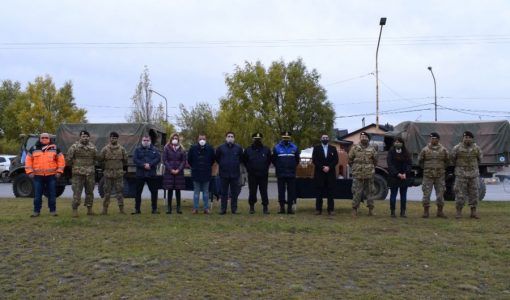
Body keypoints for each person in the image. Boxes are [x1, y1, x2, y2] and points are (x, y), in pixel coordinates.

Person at [25, 133, 65, 217]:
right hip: (37, 176)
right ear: (39, 138)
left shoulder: (55, 148)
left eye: (46, 137)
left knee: (52, 194)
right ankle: (36, 211)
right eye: (42, 137)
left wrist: (59, 172)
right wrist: (29, 172)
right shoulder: (33, 148)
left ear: (49, 139)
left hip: (51, 176)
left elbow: (61, 161)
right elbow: (28, 161)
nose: (44, 139)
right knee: (37, 195)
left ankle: (53, 211)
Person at [451, 131, 483, 219]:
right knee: (460, 194)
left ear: (472, 139)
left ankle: (473, 212)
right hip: (461, 175)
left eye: (469, 137)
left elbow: (480, 159)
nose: (467, 139)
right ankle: (458, 212)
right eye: (465, 137)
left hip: (473, 175)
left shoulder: (476, 148)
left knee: (474, 194)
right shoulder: (457, 148)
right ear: (463, 138)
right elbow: (453, 159)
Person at [418, 132, 450, 218]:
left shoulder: (443, 150)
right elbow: (420, 161)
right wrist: (427, 169)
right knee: (426, 194)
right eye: (432, 138)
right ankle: (426, 212)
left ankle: (440, 212)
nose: (433, 140)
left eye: (435, 138)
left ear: (438, 140)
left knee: (440, 194)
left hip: (439, 176)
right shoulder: (425, 150)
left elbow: (447, 161)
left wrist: (440, 169)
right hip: (428, 175)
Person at [66, 130, 98, 217]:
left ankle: (89, 209)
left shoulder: (93, 147)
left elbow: (96, 158)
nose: (85, 138)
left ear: (89, 137)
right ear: (80, 137)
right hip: (78, 174)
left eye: (87, 136)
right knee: (77, 192)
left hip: (90, 173)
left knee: (90, 192)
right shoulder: (74, 147)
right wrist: (75, 167)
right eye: (83, 136)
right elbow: (68, 159)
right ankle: (75, 210)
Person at [348, 132, 378, 217]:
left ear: (368, 138)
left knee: (370, 192)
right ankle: (354, 209)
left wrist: (370, 167)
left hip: (369, 174)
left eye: (365, 136)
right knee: (356, 192)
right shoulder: (354, 148)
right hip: (358, 174)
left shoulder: (372, 148)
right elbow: (350, 160)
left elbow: (375, 161)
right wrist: (356, 167)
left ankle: (371, 210)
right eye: (362, 136)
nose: (363, 138)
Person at [98, 131, 128, 215]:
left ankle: (121, 209)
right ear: (110, 138)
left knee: (120, 192)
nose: (113, 139)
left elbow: (125, 160)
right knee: (107, 192)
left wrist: (120, 168)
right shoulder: (105, 149)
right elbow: (100, 160)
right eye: (112, 138)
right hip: (108, 174)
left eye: (115, 138)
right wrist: (105, 167)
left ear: (117, 139)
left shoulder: (122, 149)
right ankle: (105, 210)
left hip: (118, 174)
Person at [243, 132, 272, 214]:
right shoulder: (248, 150)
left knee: (264, 191)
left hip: (263, 175)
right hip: (252, 175)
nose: (257, 140)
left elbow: (269, 160)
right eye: (256, 139)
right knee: (252, 192)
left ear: (261, 139)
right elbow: (244, 160)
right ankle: (251, 207)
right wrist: (249, 168)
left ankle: (265, 207)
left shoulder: (266, 149)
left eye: (259, 139)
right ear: (253, 139)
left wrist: (265, 167)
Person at [272, 131, 300, 214]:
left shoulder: (294, 147)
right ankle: (282, 208)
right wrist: (279, 167)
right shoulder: (276, 147)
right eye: (284, 138)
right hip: (281, 173)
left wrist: (292, 166)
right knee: (281, 191)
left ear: (290, 138)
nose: (286, 139)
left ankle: (289, 209)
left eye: (287, 138)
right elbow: (274, 160)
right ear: (282, 138)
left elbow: (297, 160)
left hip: (291, 173)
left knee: (291, 191)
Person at [216, 131, 243, 215]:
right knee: (224, 193)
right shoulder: (220, 148)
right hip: (224, 174)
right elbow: (217, 158)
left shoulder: (238, 148)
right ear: (226, 138)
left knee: (234, 193)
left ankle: (234, 209)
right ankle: (223, 209)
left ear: (234, 138)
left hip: (235, 173)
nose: (230, 138)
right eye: (228, 136)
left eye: (232, 136)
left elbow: (241, 159)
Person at [132, 135, 161, 214]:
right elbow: (135, 159)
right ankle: (137, 209)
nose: (145, 142)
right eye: (144, 140)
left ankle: (154, 209)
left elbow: (158, 158)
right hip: (140, 174)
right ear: (142, 141)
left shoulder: (155, 149)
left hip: (151, 174)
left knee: (154, 192)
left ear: (150, 141)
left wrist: (150, 165)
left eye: (147, 140)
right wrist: (143, 165)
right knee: (138, 192)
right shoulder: (137, 149)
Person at [187, 134, 215, 214]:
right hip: (196, 173)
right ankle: (195, 208)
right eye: (200, 139)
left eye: (203, 139)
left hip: (206, 173)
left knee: (206, 192)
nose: (202, 140)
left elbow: (212, 160)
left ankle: (206, 208)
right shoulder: (193, 148)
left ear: (206, 140)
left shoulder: (210, 148)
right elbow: (189, 160)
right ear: (197, 140)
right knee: (196, 192)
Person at [312, 134, 339, 215]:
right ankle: (318, 209)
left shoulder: (333, 148)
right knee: (319, 192)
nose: (325, 139)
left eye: (326, 138)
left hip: (330, 173)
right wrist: (322, 167)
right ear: (321, 139)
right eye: (323, 138)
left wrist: (329, 167)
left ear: (328, 139)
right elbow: (314, 160)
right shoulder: (316, 148)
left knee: (330, 192)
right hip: (319, 173)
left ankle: (330, 210)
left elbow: (336, 160)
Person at [386, 137, 412, 218]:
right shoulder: (391, 152)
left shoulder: (406, 152)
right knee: (393, 195)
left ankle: (403, 212)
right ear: (394, 143)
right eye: (396, 142)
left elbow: (409, 164)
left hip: (404, 177)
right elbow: (390, 165)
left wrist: (405, 173)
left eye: (399, 142)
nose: (397, 143)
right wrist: (397, 174)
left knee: (403, 196)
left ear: (402, 143)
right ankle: (392, 212)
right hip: (394, 177)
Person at [162, 133, 186, 214]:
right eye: (173, 138)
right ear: (171, 139)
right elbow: (165, 160)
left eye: (176, 138)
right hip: (169, 172)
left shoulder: (182, 149)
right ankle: (169, 208)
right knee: (170, 190)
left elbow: (183, 161)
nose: (175, 139)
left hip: (179, 173)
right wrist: (171, 169)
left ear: (178, 139)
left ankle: (178, 208)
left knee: (178, 190)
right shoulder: (166, 148)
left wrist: (178, 169)